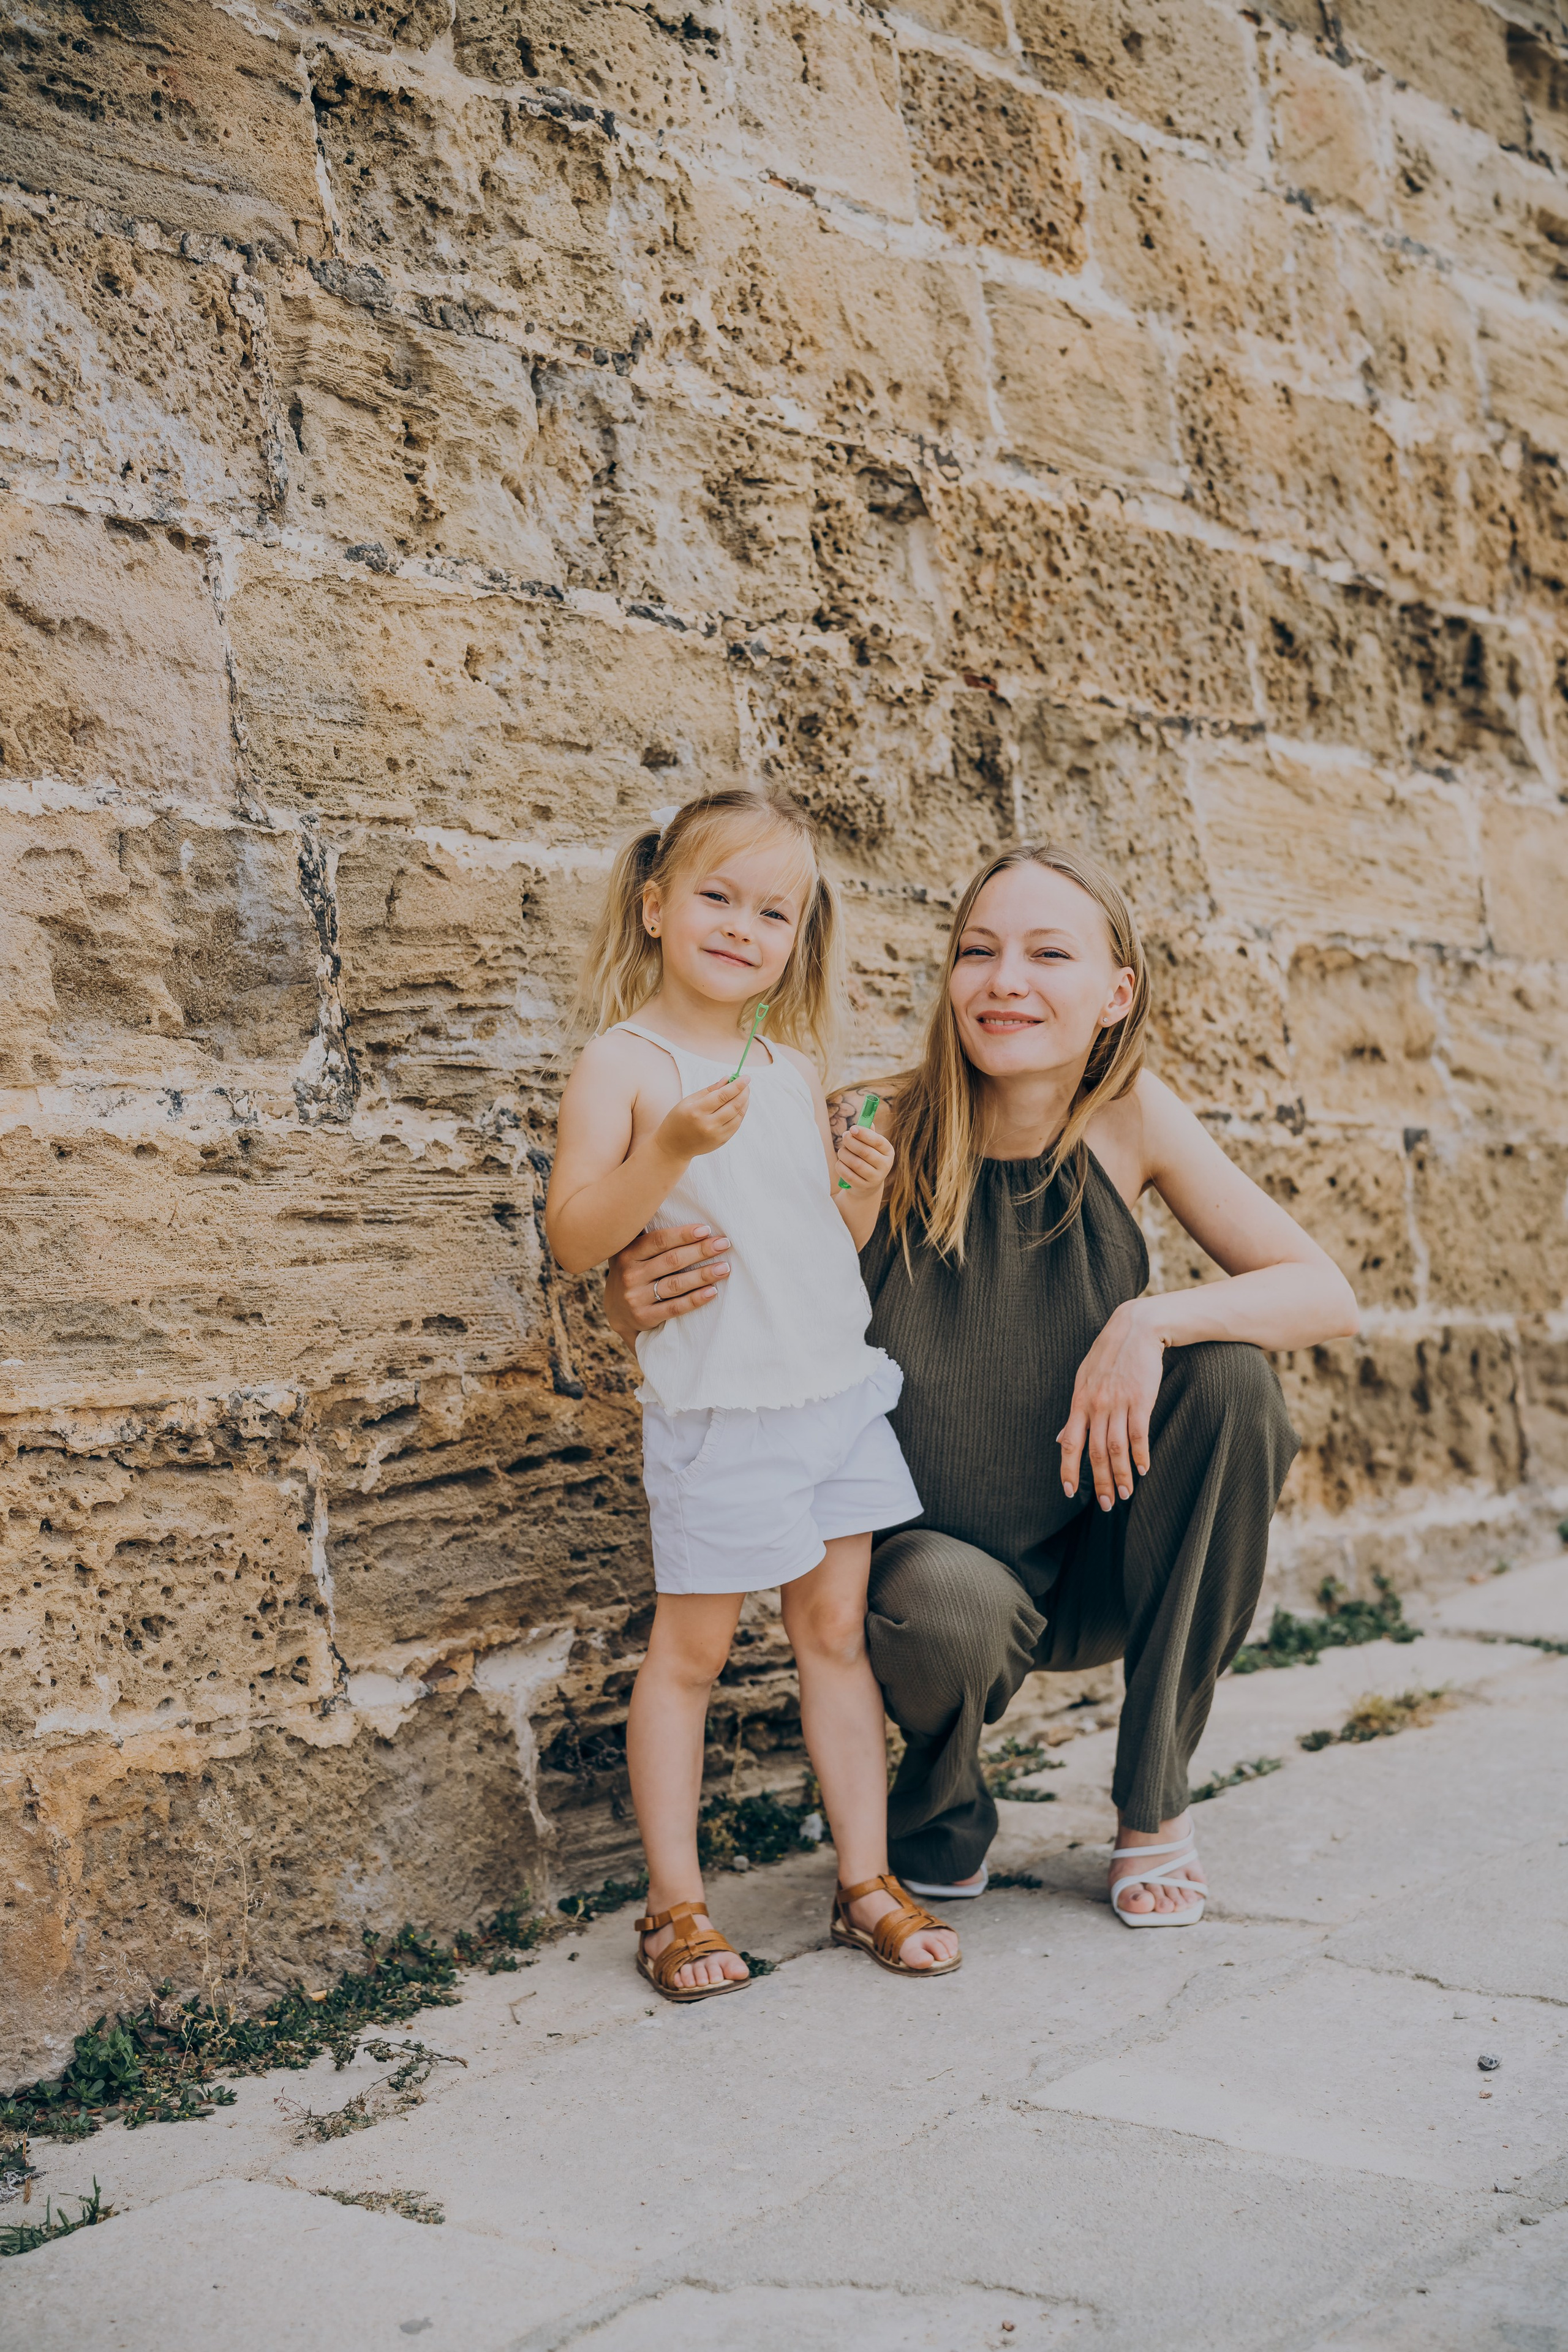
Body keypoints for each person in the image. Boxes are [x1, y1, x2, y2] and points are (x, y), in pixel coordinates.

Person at [605, 842, 1359, 1928]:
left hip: (1107, 1552)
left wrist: (1149, 1320)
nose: (1005, 981)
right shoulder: (869, 1124)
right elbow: (732, 1281)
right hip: (936, 1582)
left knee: (1235, 1383)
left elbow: (1322, 1292)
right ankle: (938, 1813)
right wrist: (630, 1298)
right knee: (942, 1603)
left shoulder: (1130, 1119)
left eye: (1049, 953)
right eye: (978, 951)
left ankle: (1153, 1806)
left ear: (1116, 992)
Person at [545, 786, 960, 1999]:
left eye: (771, 911)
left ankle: (864, 1878)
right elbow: (576, 1239)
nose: (741, 926)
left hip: (831, 1396)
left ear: (798, 934)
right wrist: (665, 1150)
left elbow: (815, 1239)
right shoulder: (625, 1064)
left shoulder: (791, 1065)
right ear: (657, 905)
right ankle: (673, 1907)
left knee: (832, 1635)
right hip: (721, 1410)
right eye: (717, 897)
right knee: (693, 1651)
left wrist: (866, 1196)